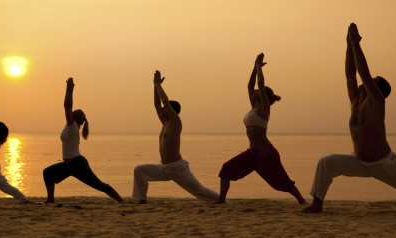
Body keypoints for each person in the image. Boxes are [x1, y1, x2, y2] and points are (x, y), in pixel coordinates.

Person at [302, 23, 396, 213]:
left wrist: (356, 44)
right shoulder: (356, 100)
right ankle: (317, 205)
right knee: (326, 163)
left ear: (377, 91)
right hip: (359, 162)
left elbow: (363, 73)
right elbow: (350, 75)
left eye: (372, 83)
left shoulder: (377, 102)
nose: (364, 83)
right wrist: (348, 46)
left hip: (384, 165)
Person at [216, 53, 306, 204]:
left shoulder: (264, 108)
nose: (254, 92)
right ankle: (221, 201)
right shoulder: (253, 107)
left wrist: (259, 67)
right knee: (226, 170)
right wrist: (254, 67)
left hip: (266, 153)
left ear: (264, 95)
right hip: (252, 153)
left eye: (258, 91)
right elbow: (250, 86)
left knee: (282, 182)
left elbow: (260, 85)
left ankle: (302, 201)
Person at [132, 70, 223, 204]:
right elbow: (157, 104)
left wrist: (159, 85)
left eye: (165, 109)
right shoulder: (165, 123)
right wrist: (154, 85)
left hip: (177, 168)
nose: (162, 110)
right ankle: (142, 200)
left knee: (200, 191)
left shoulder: (175, 122)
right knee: (139, 170)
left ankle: (224, 202)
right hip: (164, 168)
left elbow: (165, 102)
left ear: (171, 111)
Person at [43, 77, 123, 203]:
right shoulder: (72, 126)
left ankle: (121, 201)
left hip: (78, 165)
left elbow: (67, 105)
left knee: (98, 185)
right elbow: (68, 107)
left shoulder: (72, 126)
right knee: (48, 173)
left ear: (74, 117)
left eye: (72, 113)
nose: (69, 113)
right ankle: (50, 200)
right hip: (69, 165)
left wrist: (69, 88)